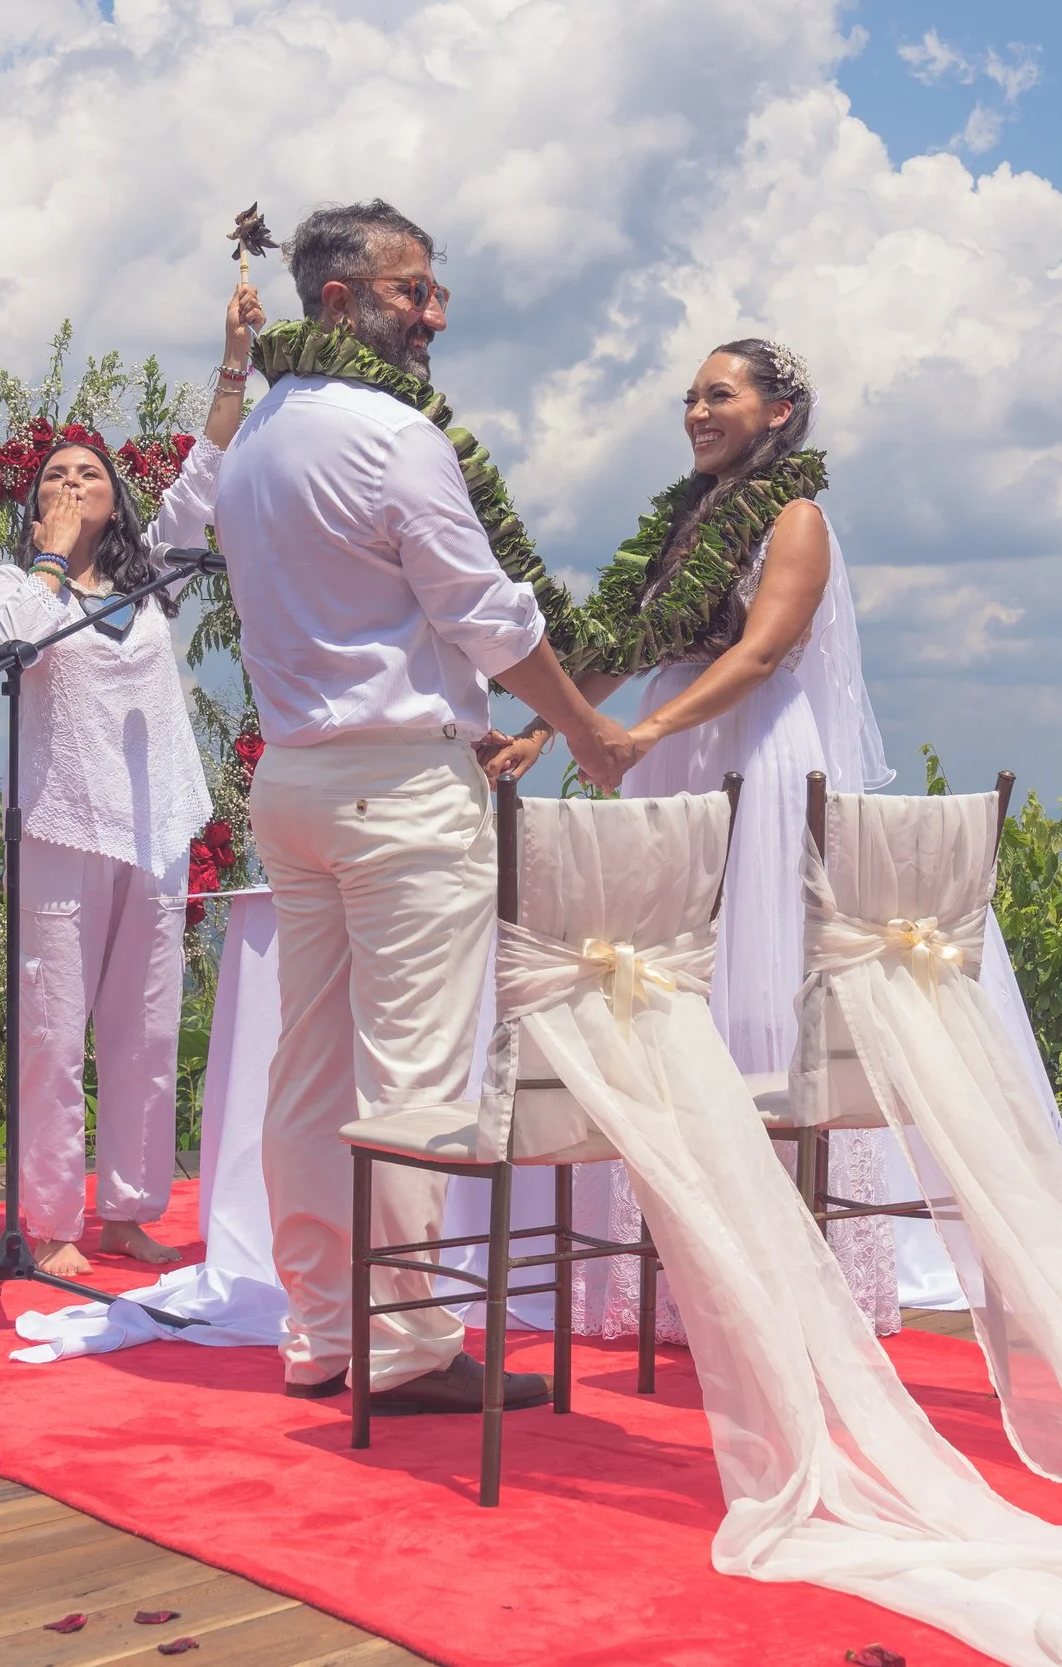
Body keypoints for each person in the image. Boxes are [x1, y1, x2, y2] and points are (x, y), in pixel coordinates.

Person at [212, 200, 638, 1413]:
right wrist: (585, 728)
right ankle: (404, 1344)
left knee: (309, 1069)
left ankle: (319, 1328)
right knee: (412, 1073)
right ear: (338, 299)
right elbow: (485, 612)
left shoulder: (252, 444)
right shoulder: (393, 436)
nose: (434, 314)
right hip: (400, 792)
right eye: (414, 291)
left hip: (294, 777)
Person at [481, 339, 903, 1339]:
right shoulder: (683, 517)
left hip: (749, 750)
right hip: (668, 749)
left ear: (779, 411)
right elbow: (628, 646)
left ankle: (779, 1254)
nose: (698, 413)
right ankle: (669, 1254)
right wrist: (549, 727)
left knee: (752, 978)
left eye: (720, 395)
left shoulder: (796, 517)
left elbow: (760, 652)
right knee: (659, 981)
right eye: (691, 398)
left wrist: (646, 734)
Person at [0, 280, 268, 1282]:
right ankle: (54, 1219)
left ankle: (131, 1210)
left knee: (145, 1029)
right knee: (53, 1032)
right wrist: (52, 557)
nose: (72, 481)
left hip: (154, 826)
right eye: (55, 475)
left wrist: (234, 357)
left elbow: (207, 465)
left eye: (88, 472)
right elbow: (14, 645)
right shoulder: (16, 583)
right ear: (38, 505)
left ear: (116, 496)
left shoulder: (155, 578)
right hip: (63, 828)